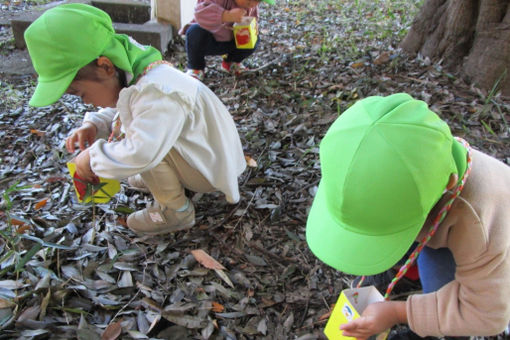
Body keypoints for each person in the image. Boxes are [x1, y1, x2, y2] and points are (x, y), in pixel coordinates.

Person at [24, 3, 246, 235]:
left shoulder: (158, 93)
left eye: (81, 94)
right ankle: (171, 179)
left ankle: (176, 211)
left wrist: (93, 156)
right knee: (142, 144)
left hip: (207, 169)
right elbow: (125, 104)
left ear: (105, 67)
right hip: (203, 154)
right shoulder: (140, 74)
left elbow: (142, 152)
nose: (86, 102)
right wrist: (95, 124)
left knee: (142, 149)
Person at [305, 93, 510, 339]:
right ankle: (403, 266)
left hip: (487, 255)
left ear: (447, 187)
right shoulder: (424, 160)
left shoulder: (479, 226)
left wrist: (399, 313)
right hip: (442, 226)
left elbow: (488, 315)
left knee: (447, 301)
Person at [180, 0, 275, 81]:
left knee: (253, 39)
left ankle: (231, 61)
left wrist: (253, 26)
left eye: (258, 1)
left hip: (232, 41)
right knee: (195, 32)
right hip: (209, 38)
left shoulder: (249, 7)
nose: (253, 4)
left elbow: (254, 18)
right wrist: (226, 16)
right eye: (250, 0)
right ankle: (196, 68)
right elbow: (200, 13)